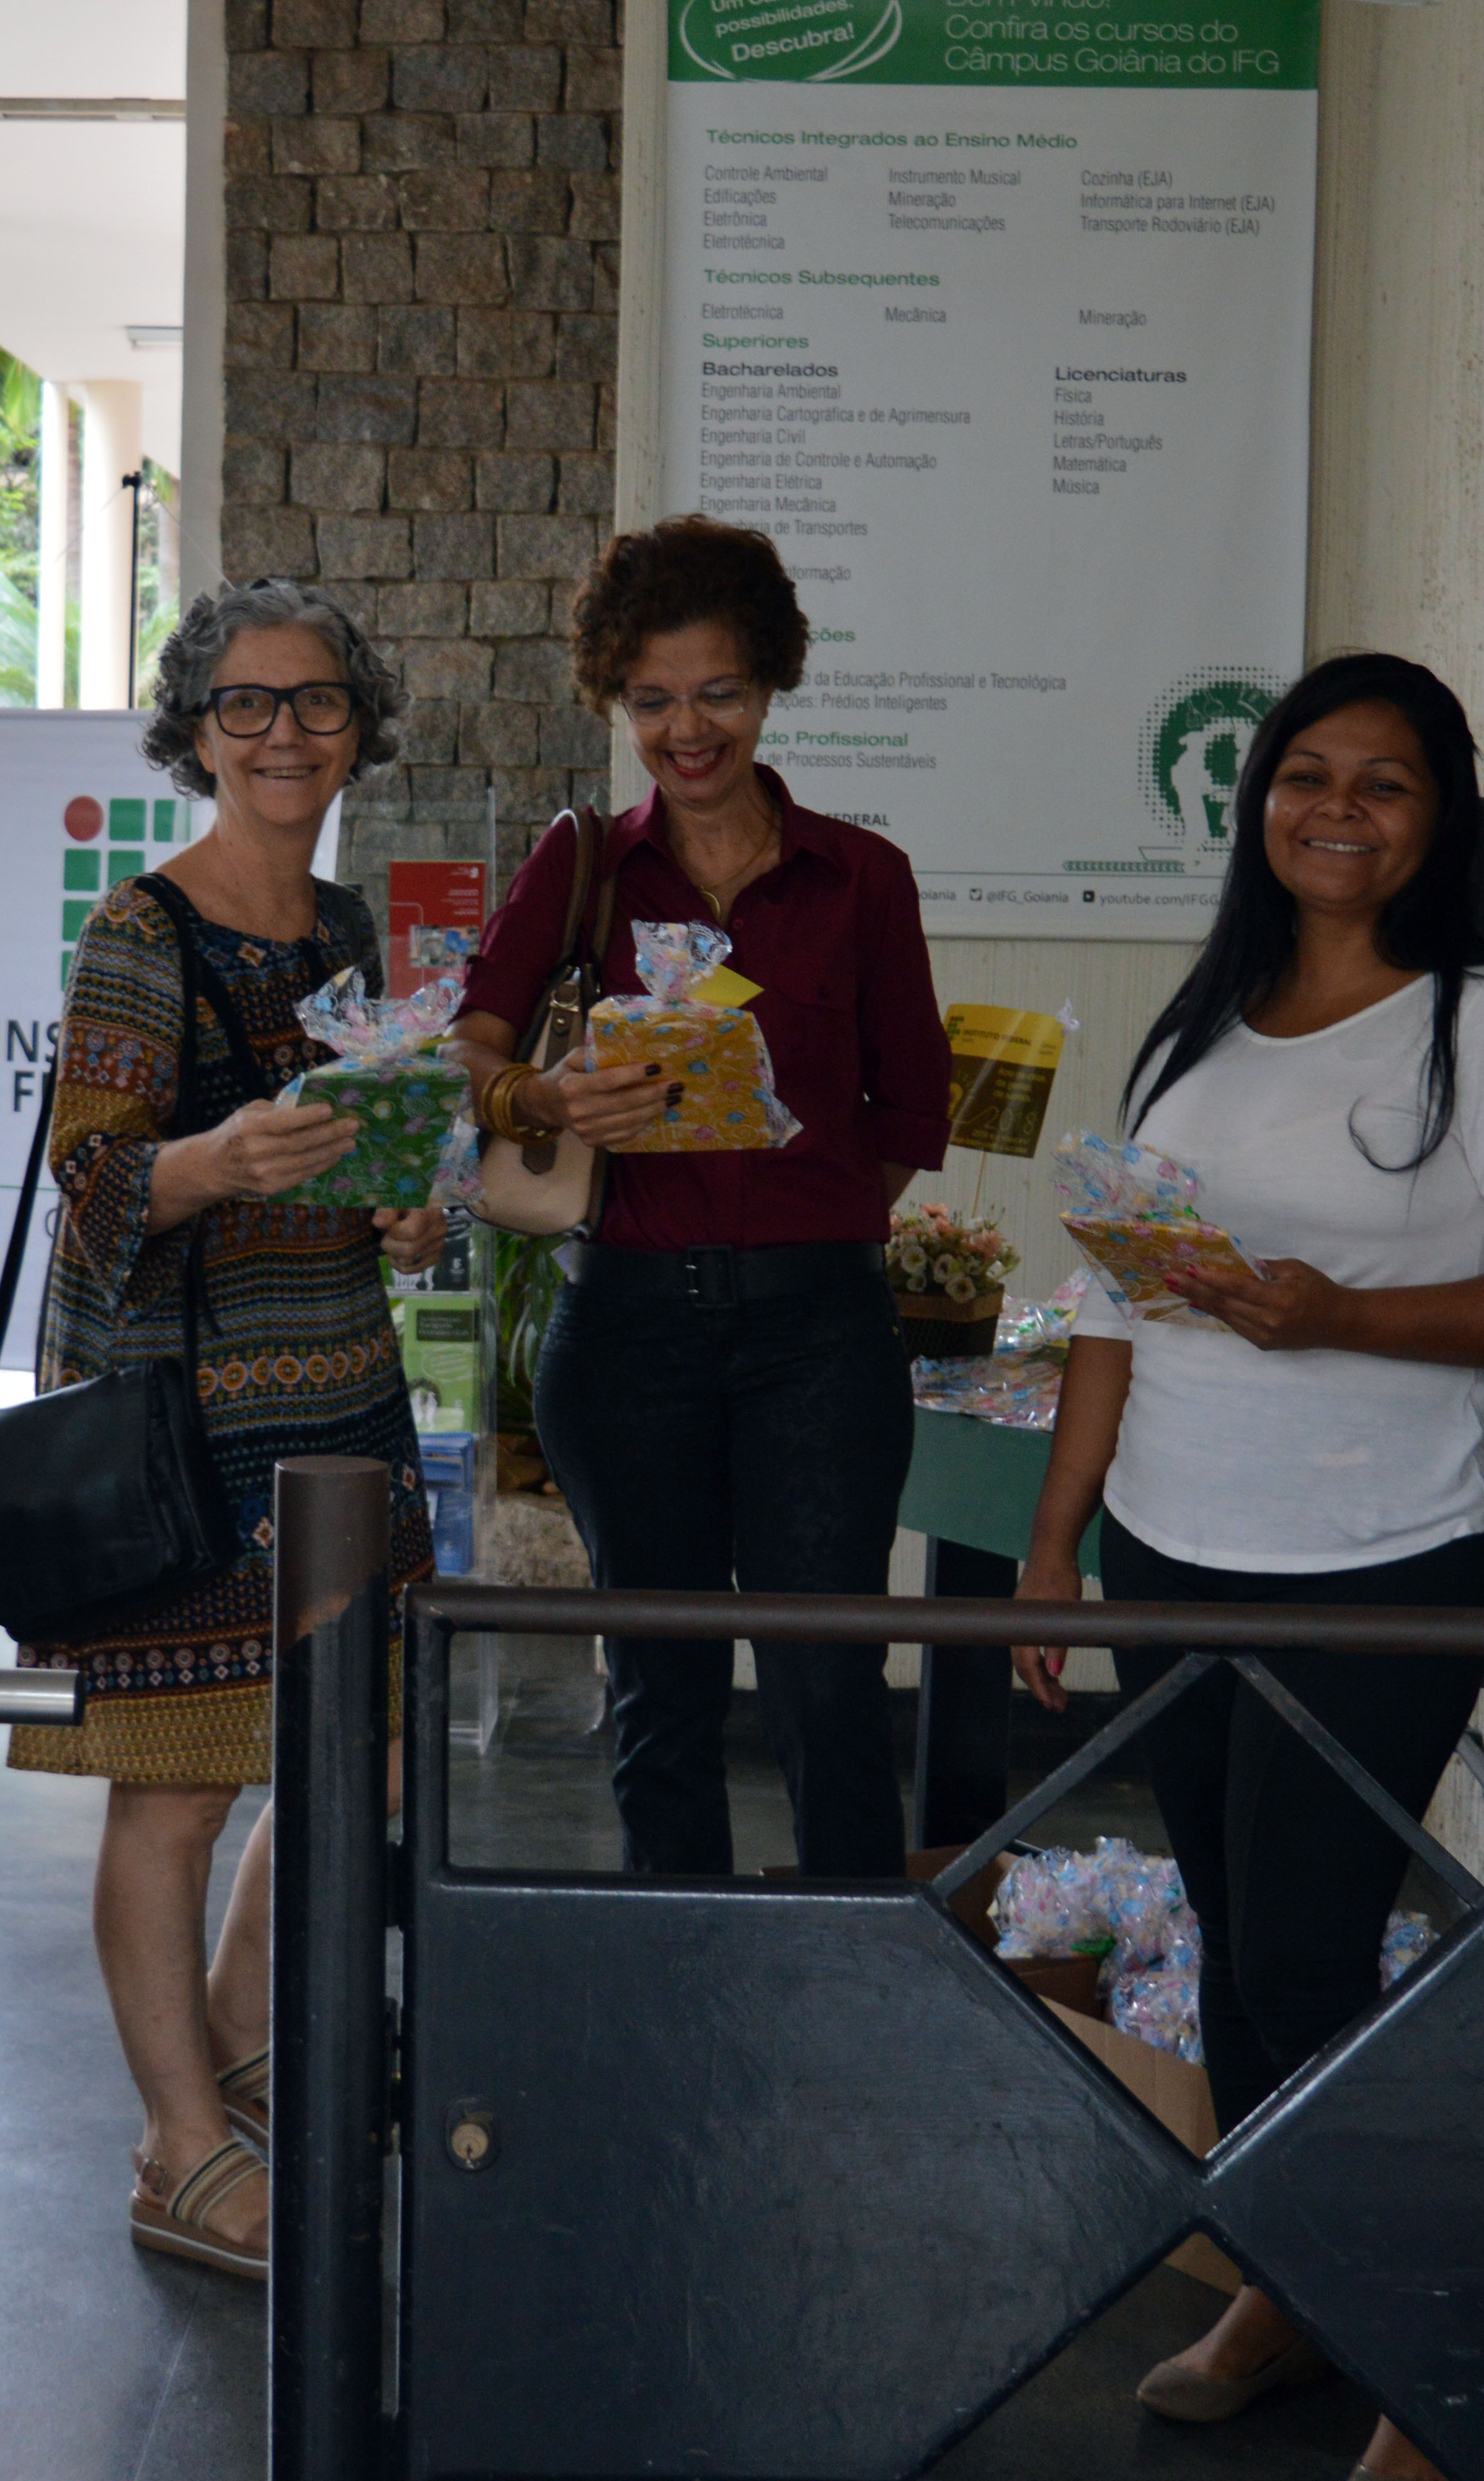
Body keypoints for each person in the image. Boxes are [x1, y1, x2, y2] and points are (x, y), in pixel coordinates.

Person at [1006, 653, 1484, 2480]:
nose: (1336, 809)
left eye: (1384, 782)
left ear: (1436, 820)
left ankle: (1424, 2364)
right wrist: (1056, 1541)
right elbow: (1118, 1293)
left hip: (1376, 1559)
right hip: (1170, 1547)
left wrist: (1341, 1315)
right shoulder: (1199, 1024)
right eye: (1305, 773)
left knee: (1306, 1954)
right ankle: (1289, 2285)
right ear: (1258, 799)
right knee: (1232, 1953)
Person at [3, 578, 446, 2281]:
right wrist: (217, 1161)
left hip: (340, 1392)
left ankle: (247, 2022)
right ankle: (177, 2149)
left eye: (317, 703)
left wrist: (403, 1206)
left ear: (359, 729)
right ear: (191, 730)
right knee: (174, 1796)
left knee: (372, 1746)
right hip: (181, 1427)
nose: (284, 734)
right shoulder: (143, 929)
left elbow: (375, 1140)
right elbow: (92, 1181)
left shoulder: (344, 931)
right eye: (246, 706)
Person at [447, 517, 951, 1880]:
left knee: (825, 1686)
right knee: (659, 1696)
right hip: (623, 1335)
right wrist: (542, 1104)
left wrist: (796, 1213)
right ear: (617, 697)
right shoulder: (584, 868)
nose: (687, 730)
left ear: (771, 680)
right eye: (653, 699)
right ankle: (684, 2000)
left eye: (716, 691)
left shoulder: (864, 878)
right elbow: (473, 1049)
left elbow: (904, 1117)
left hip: (816, 1342)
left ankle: (851, 1988)